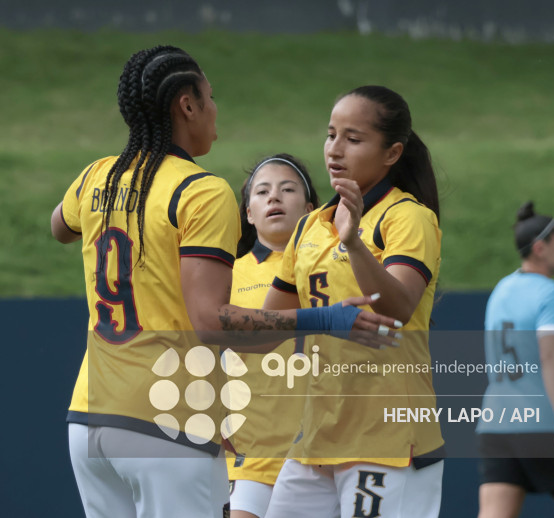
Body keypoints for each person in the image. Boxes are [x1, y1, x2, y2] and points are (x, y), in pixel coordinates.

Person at [49, 46, 398, 518]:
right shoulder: (199, 189)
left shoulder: (97, 177)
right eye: (210, 98)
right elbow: (211, 323)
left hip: (89, 419)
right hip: (165, 420)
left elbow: (60, 226)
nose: (216, 110)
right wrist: (329, 318)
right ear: (187, 106)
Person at [261, 85, 445, 518]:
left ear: (392, 153)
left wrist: (355, 244)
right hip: (317, 440)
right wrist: (323, 319)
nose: (334, 150)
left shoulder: (408, 217)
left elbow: (397, 309)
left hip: (389, 441)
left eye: (353, 139)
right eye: (330, 135)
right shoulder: (308, 227)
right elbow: (266, 325)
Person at [476, 202, 554, 518]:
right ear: (540, 248)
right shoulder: (552, 293)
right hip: (543, 425)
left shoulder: (501, 289)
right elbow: (550, 355)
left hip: (496, 426)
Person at [226, 154, 319, 518]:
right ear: (249, 213)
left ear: (310, 208)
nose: (274, 198)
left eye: (287, 189)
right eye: (262, 192)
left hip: (321, 453)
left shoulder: (331, 267)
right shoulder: (227, 274)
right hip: (251, 455)